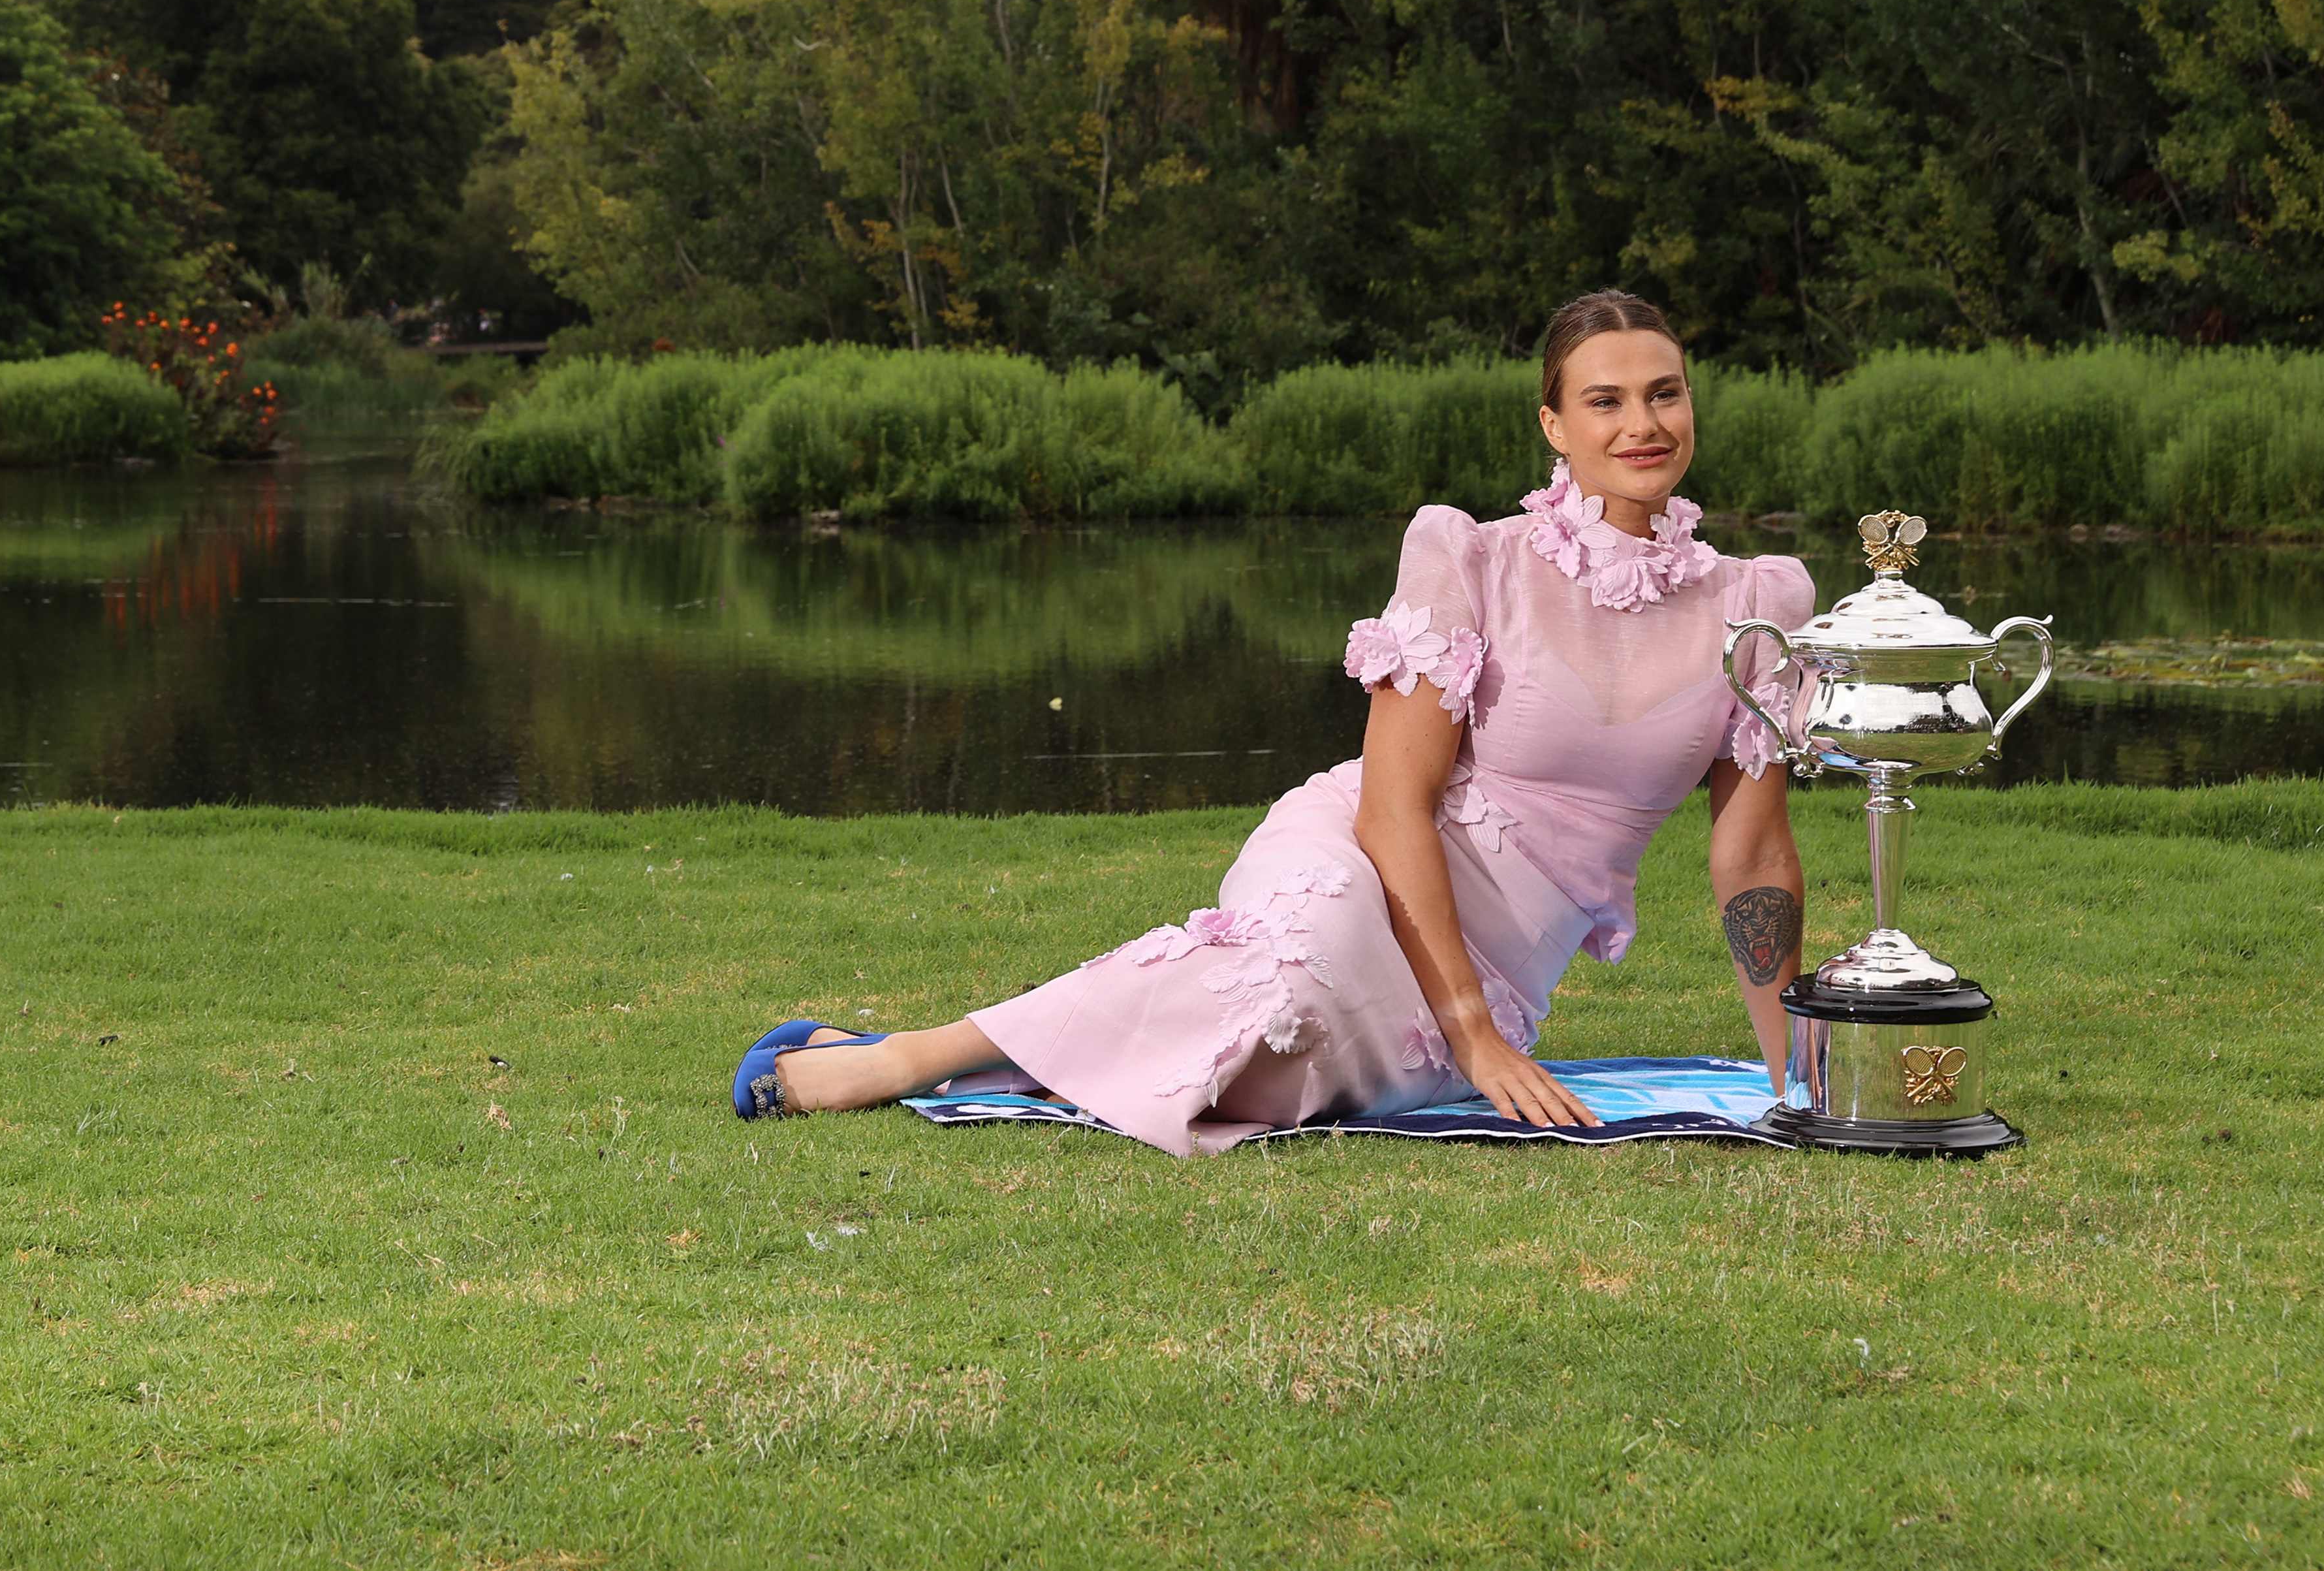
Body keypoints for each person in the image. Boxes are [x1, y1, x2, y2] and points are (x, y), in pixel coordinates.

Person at [734, 291, 1814, 1153]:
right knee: (1294, 982)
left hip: (1509, 953)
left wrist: (1791, 1077)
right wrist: (1470, 1035)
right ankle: (912, 1058)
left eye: (1665, 395)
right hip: (1368, 857)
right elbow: (1394, 808)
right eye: (1606, 400)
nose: (1643, 424)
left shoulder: (1757, 603)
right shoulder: (1470, 557)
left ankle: (915, 1052)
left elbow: (1752, 852)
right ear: (1554, 423)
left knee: (1287, 1078)